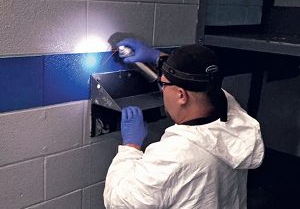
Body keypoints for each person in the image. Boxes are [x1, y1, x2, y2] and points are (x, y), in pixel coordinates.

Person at [103, 38, 264, 209]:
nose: (162, 89)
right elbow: (202, 83)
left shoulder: (175, 155)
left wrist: (130, 147)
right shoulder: (235, 117)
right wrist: (157, 58)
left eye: (163, 84)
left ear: (181, 95)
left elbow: (119, 202)